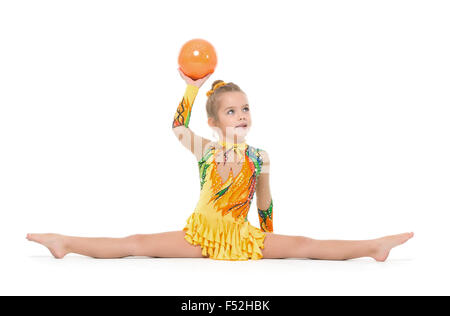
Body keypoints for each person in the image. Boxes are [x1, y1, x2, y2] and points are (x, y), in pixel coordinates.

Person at [26, 68, 414, 261]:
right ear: (214, 122)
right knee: (137, 244)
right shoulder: (205, 150)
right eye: (232, 111)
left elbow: (264, 202)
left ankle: (373, 247)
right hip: (200, 236)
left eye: (246, 108)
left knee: (304, 245)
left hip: (240, 236)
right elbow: (177, 125)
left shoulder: (259, 157)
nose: (242, 115)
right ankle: (65, 242)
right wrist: (192, 86)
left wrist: (268, 239)